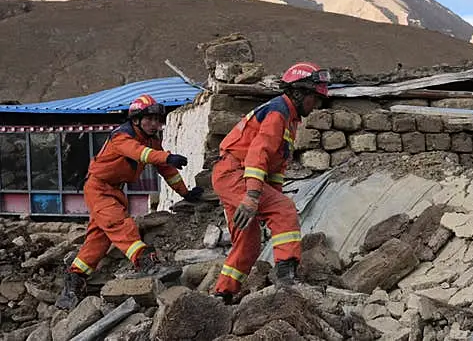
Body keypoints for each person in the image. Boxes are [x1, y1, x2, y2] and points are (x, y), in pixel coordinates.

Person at [55, 94, 203, 310]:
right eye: (149, 119)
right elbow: (141, 154)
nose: (154, 124)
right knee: (119, 224)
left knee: (99, 239)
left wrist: (185, 193)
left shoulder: (151, 141)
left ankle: (74, 279)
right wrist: (166, 156)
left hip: (114, 190)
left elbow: (167, 170)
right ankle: (145, 262)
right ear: (136, 120)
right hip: (99, 188)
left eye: (157, 120)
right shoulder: (122, 137)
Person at [210, 62, 330, 304]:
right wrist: (254, 197)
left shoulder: (289, 118)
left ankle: (222, 295)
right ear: (298, 92)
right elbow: (258, 154)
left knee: (248, 243)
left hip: (232, 175)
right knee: (284, 209)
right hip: (236, 174)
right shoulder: (278, 113)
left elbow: (275, 166)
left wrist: (266, 199)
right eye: (314, 98)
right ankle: (286, 275)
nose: (316, 104)